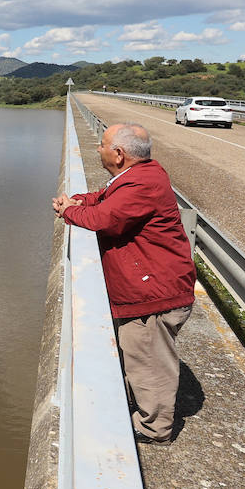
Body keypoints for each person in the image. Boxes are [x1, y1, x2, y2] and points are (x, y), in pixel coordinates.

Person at [51, 122, 196, 444]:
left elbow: (104, 219)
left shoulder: (141, 184)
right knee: (140, 356)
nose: (98, 150)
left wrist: (68, 211)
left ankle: (153, 429)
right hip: (154, 284)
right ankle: (144, 413)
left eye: (101, 145)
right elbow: (101, 199)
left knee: (149, 364)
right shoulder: (139, 176)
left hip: (154, 292)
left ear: (118, 154)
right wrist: (77, 201)